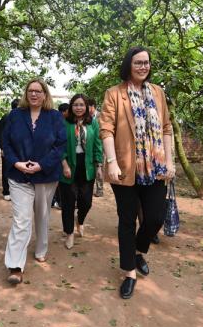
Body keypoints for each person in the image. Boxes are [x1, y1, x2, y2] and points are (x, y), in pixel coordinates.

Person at [98, 46, 175, 299]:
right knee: (127, 220)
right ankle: (129, 271)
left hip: (156, 166)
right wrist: (111, 161)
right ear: (128, 65)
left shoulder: (158, 92)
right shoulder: (114, 94)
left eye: (146, 62)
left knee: (155, 218)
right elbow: (106, 130)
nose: (143, 66)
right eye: (138, 62)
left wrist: (170, 161)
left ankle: (139, 251)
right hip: (125, 168)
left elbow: (166, 127)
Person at [2, 78, 66, 285]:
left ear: (45, 95)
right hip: (19, 176)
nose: (34, 94)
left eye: (38, 91)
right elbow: (6, 143)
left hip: (45, 176)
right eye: (30, 91)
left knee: (42, 214)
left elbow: (60, 146)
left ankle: (41, 248)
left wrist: (42, 165)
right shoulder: (15, 115)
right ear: (26, 94)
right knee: (21, 220)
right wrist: (16, 163)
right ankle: (15, 266)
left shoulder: (55, 117)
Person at [60, 94, 103, 249]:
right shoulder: (64, 123)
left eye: (81, 105)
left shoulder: (93, 123)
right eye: (75, 105)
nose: (78, 108)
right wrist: (64, 165)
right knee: (68, 202)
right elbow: (59, 145)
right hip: (69, 165)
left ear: (87, 107)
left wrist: (98, 166)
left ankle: (80, 220)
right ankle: (69, 233)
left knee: (86, 201)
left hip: (87, 166)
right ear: (71, 107)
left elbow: (98, 145)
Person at [0, 99, 20, 201]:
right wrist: (3, 147)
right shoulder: (7, 117)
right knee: (6, 169)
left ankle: (15, 191)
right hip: (7, 150)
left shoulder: (22, 119)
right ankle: (6, 191)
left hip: (18, 150)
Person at [88, 97, 105, 198]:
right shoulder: (86, 117)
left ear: (92, 107)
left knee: (99, 167)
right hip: (89, 147)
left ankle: (99, 190)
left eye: (88, 106)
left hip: (101, 146)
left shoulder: (101, 116)